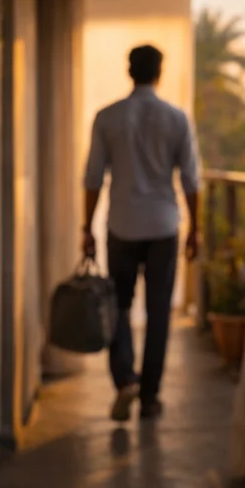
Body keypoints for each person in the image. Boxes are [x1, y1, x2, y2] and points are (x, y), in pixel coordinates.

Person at [83, 44, 200, 422]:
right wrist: (195, 227)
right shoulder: (176, 118)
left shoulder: (107, 117)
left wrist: (87, 228)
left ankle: (124, 382)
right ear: (159, 72)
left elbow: (92, 179)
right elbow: (191, 180)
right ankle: (150, 397)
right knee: (158, 312)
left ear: (129, 70)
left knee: (117, 306)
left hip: (122, 226)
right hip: (163, 226)